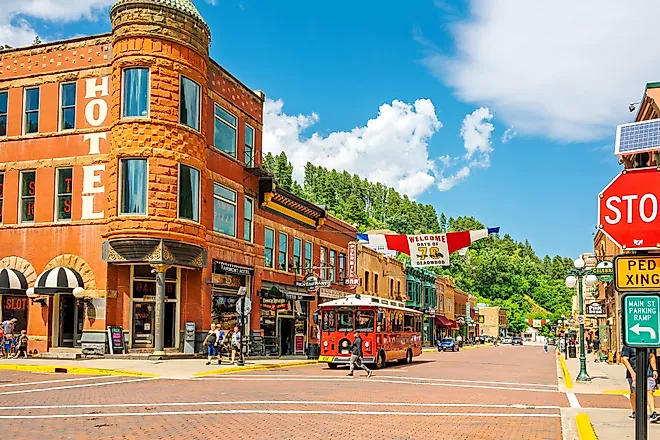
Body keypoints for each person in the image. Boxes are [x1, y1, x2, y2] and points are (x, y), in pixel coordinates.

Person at [621, 347, 658, 422]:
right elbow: (624, 359)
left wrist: (654, 370)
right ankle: (635, 411)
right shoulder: (628, 345)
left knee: (649, 391)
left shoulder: (649, 344)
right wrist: (632, 372)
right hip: (634, 372)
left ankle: (653, 412)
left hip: (648, 372)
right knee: (634, 392)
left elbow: (651, 356)